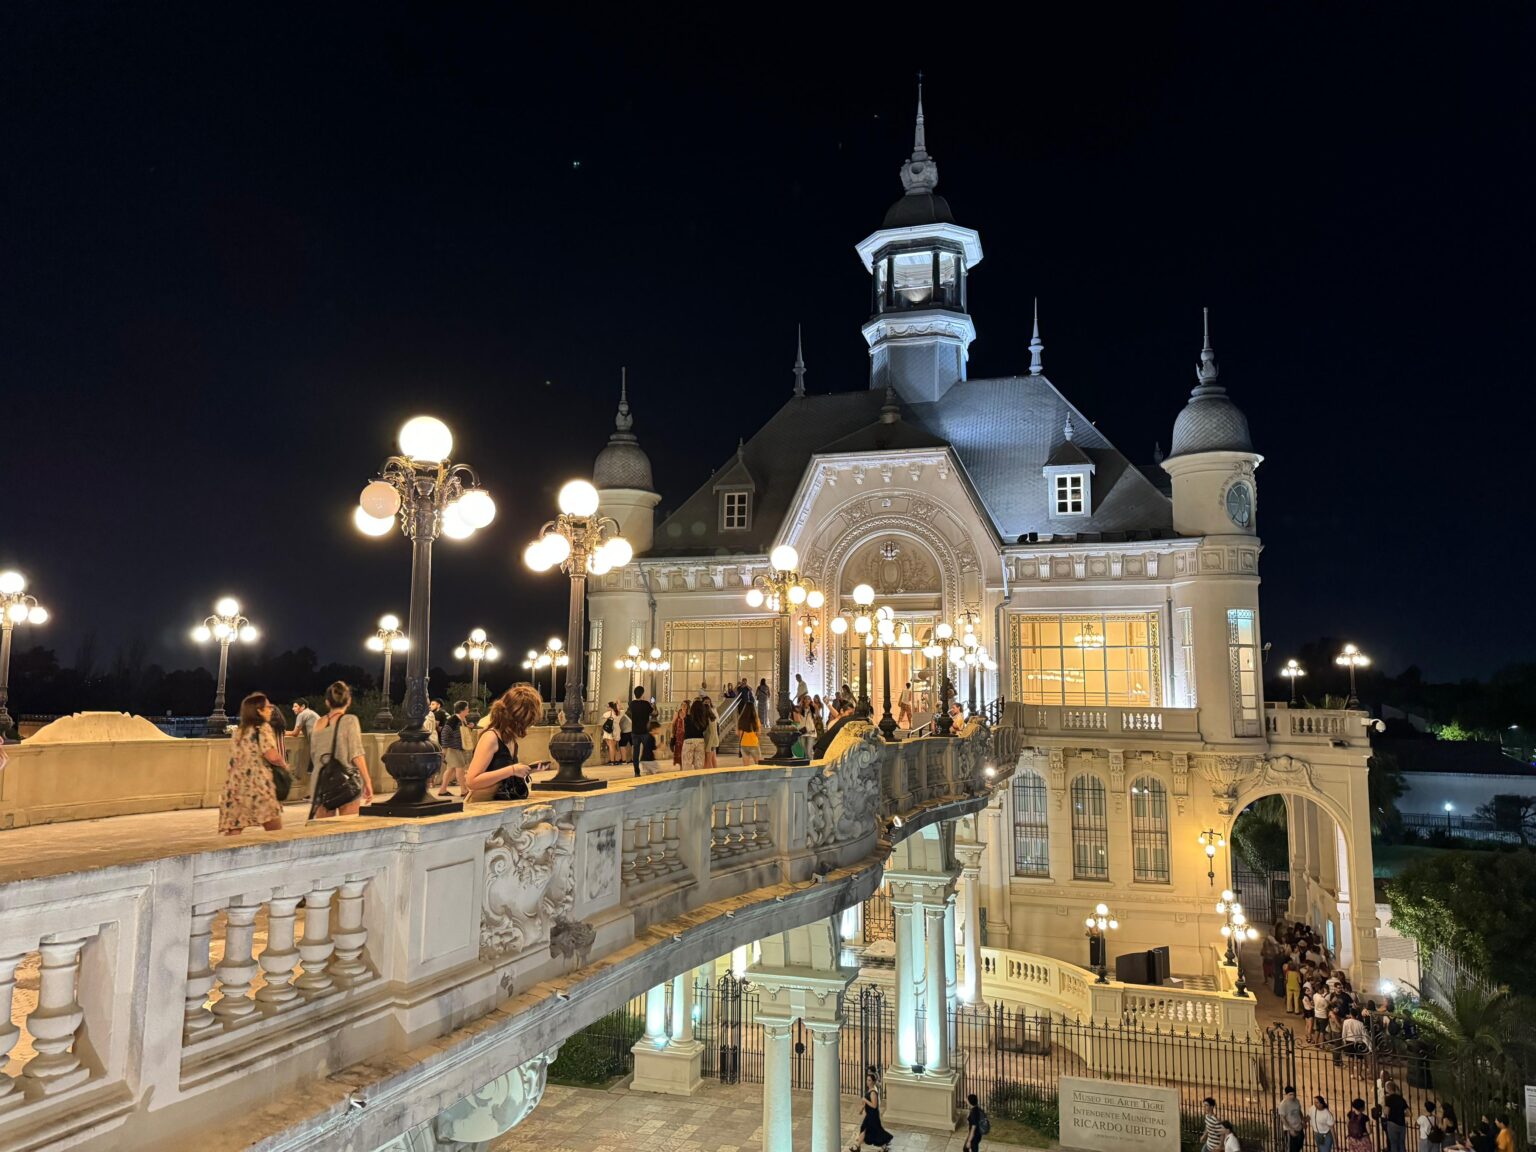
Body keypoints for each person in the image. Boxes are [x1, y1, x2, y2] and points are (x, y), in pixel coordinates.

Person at [219, 693, 286, 835]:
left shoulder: (238, 732)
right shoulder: (263, 728)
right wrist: (284, 765)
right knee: (274, 828)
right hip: (258, 785)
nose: (271, 710)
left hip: (236, 785)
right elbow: (271, 755)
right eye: (268, 707)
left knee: (235, 827)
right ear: (259, 711)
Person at [464, 685, 542, 802]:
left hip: (499, 805)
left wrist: (526, 770)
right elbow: (472, 781)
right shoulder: (490, 737)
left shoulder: (511, 740)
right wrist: (512, 770)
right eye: (525, 722)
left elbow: (502, 775)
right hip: (483, 806)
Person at [310, 681, 374, 818]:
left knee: (323, 828)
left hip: (321, 783)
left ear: (327, 702)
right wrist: (367, 781)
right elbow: (356, 753)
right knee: (347, 826)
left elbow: (314, 754)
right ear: (349, 701)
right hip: (346, 781)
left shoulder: (317, 723)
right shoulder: (350, 720)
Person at [849, 1068, 893, 1152]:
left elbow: (874, 1105)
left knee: (866, 1129)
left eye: (869, 1080)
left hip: (872, 1115)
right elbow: (867, 1102)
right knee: (874, 1131)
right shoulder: (870, 1089)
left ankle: (857, 1146)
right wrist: (862, 1108)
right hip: (870, 1114)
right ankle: (884, 1147)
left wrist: (865, 1100)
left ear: (873, 1081)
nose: (867, 1082)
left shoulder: (873, 1092)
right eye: (867, 1080)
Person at [438, 700, 471, 792]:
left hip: (456, 748)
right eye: (467, 708)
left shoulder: (461, 720)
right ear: (462, 710)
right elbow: (445, 732)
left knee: (450, 770)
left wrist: (469, 727)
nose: (468, 710)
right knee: (460, 768)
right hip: (453, 748)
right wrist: (445, 747)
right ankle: (464, 790)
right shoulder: (453, 720)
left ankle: (442, 790)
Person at [288, 698, 319, 788]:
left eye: (295, 706)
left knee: (313, 771)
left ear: (303, 706)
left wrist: (282, 732)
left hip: (316, 744)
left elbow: (295, 733)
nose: (293, 708)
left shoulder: (302, 714)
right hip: (321, 742)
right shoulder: (310, 713)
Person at [627, 685, 654, 777]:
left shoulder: (632, 704)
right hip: (645, 731)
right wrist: (653, 704)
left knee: (636, 752)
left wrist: (634, 719)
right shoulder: (646, 704)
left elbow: (628, 714)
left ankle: (637, 772)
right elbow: (654, 713)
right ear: (642, 694)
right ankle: (647, 769)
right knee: (647, 751)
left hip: (635, 731)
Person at [681, 698, 708, 771]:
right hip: (700, 741)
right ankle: (699, 778)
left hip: (688, 740)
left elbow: (684, 730)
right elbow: (704, 729)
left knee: (686, 765)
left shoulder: (687, 717)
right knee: (699, 766)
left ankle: (688, 778)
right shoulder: (703, 719)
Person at [1382, 1080, 1409, 1152]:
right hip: (1402, 1123)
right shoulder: (1401, 1099)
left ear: (1387, 1089)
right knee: (1402, 1143)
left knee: (1394, 1144)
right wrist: (1401, 1114)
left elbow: (1386, 1112)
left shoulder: (1388, 1099)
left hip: (1392, 1123)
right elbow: (1409, 1113)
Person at [1278, 1085, 1306, 1152]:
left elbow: (1299, 1112)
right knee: (1292, 1148)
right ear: (1286, 1095)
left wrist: (1303, 1121)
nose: (1292, 1096)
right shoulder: (1283, 1104)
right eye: (1290, 1094)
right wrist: (1290, 1129)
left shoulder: (1296, 1101)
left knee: (1299, 1146)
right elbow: (1282, 1118)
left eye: (1293, 1094)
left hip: (1299, 1127)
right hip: (1290, 1130)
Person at [738, 693, 762, 765]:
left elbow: (738, 733)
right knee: (758, 765)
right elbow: (759, 733)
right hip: (753, 743)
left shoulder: (741, 720)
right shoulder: (756, 719)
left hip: (744, 744)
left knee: (746, 766)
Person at [703, 696, 720, 770]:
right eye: (706, 702)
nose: (707, 704)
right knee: (712, 761)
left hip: (711, 742)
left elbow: (713, 733)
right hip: (710, 742)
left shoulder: (711, 718)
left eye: (708, 702)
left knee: (708, 762)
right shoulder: (708, 717)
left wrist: (708, 746)